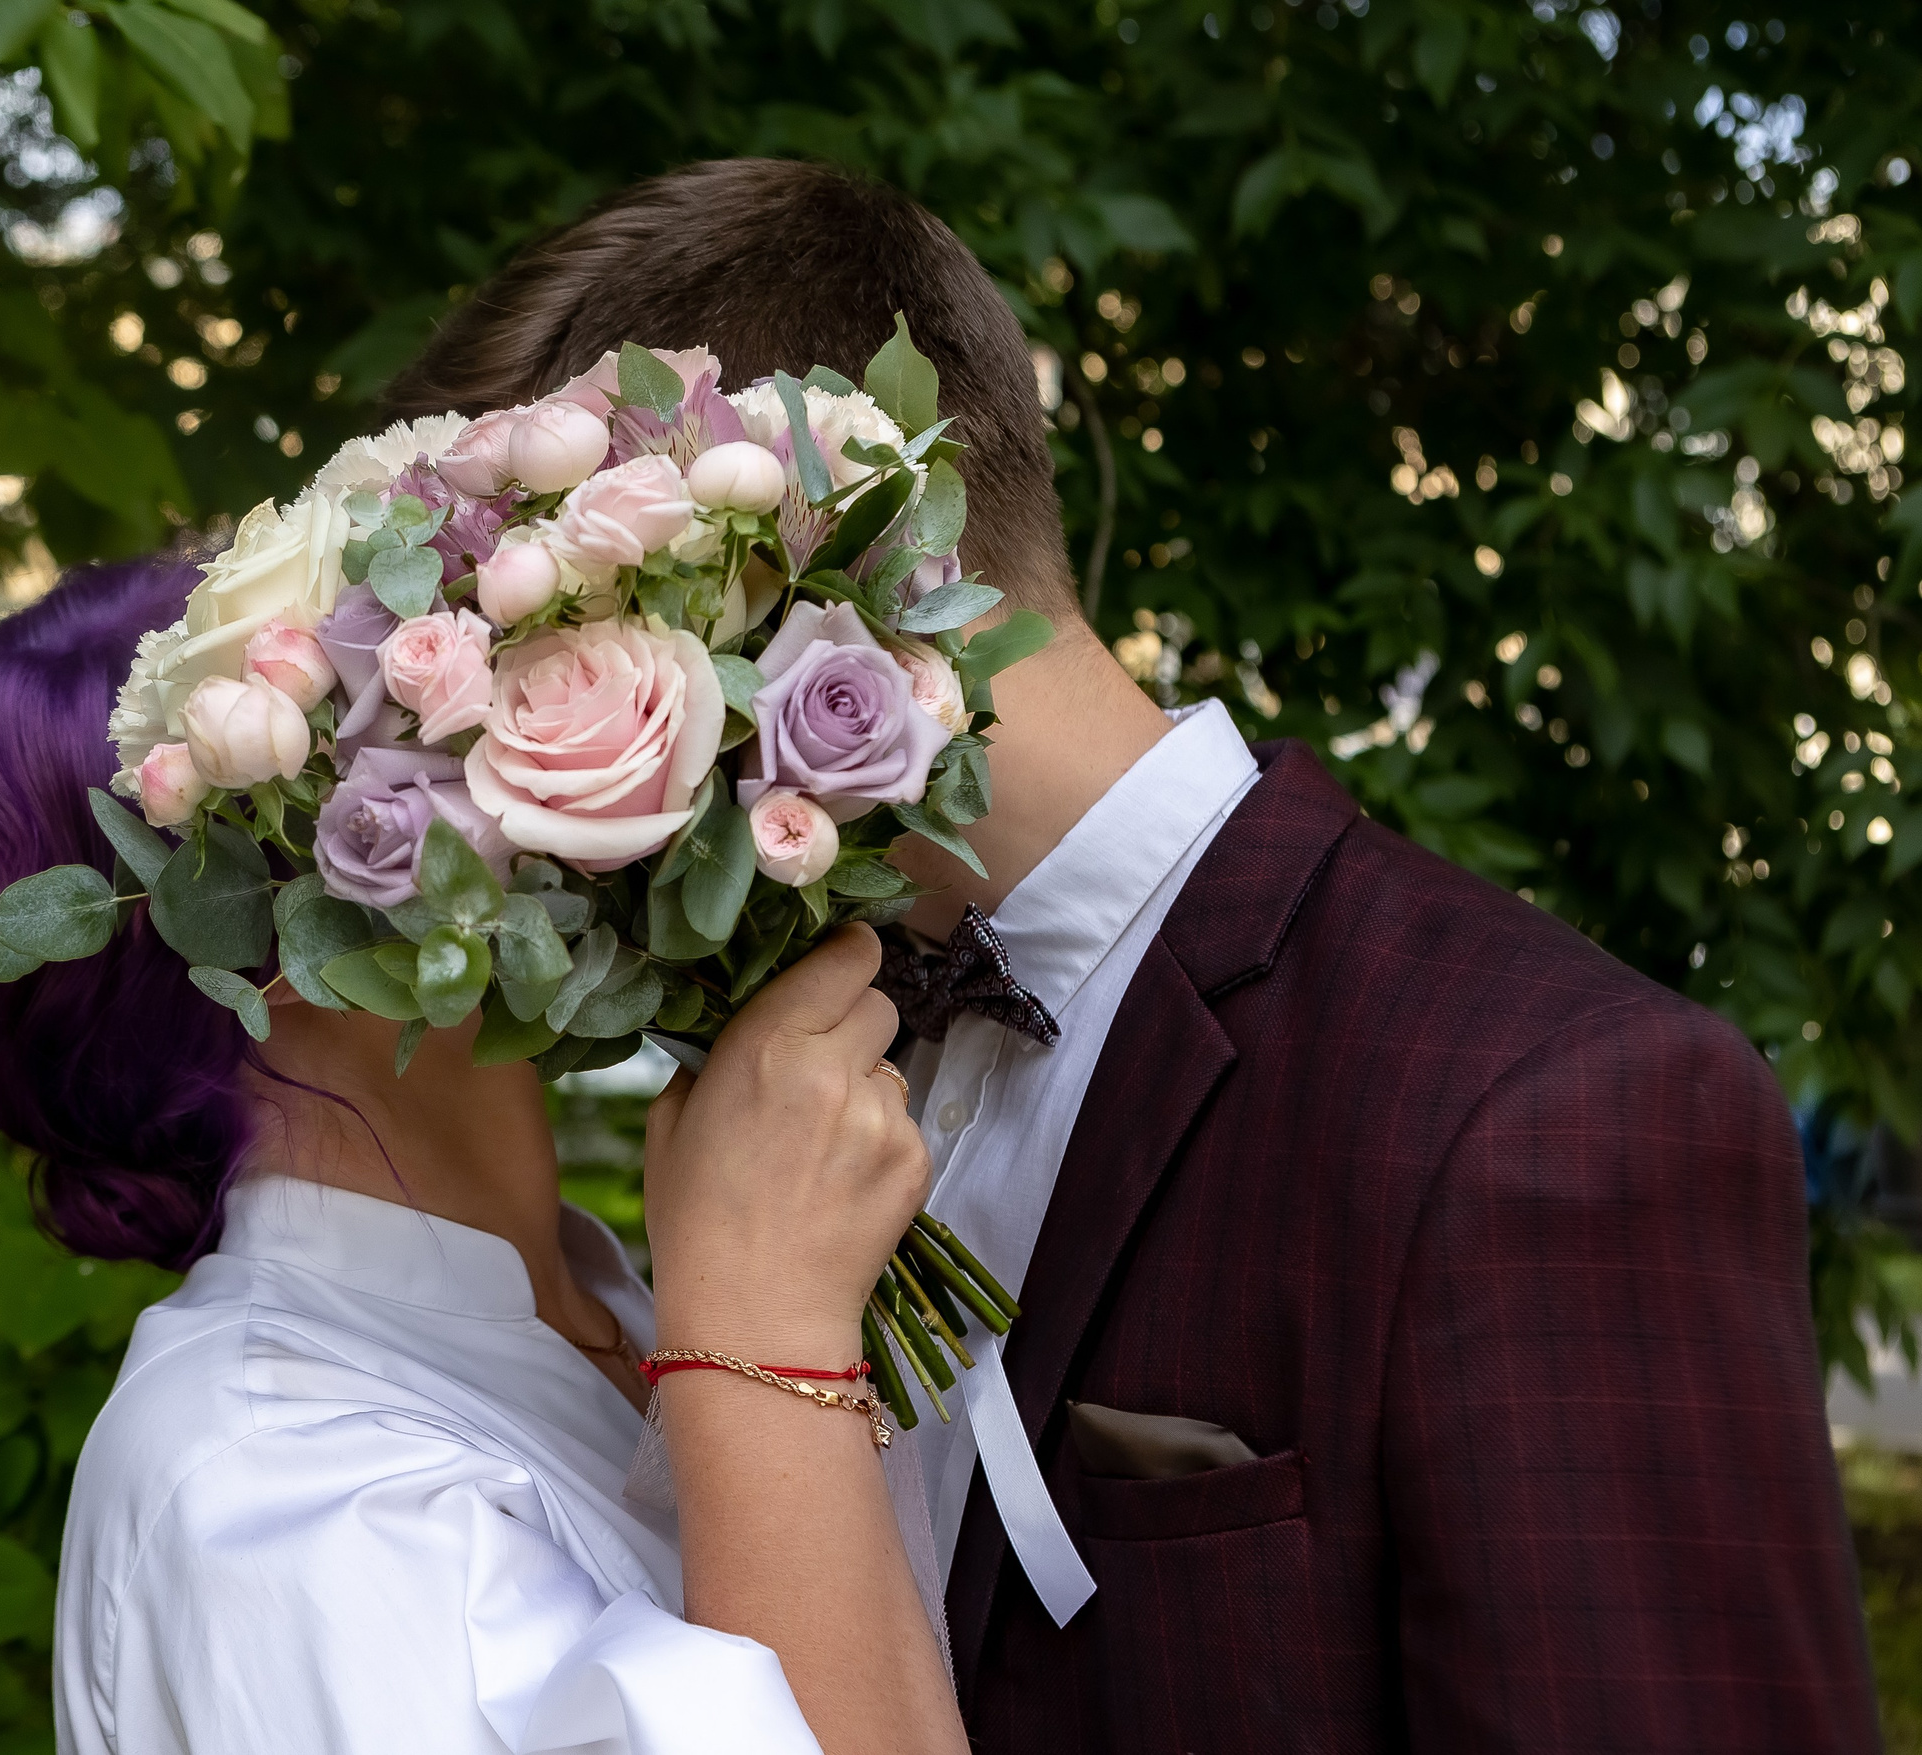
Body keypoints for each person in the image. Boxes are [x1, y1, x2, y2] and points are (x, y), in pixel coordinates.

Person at [382, 157, 1881, 1750]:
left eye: (538, 636)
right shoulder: (807, 1081)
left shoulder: (1548, 1110)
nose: (505, 756)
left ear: (764, 559)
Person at [0, 552, 970, 1754]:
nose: (489, 726)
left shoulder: (580, 1297)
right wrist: (762, 1337)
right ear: (256, 938)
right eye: (391, 733)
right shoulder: (281, 1502)